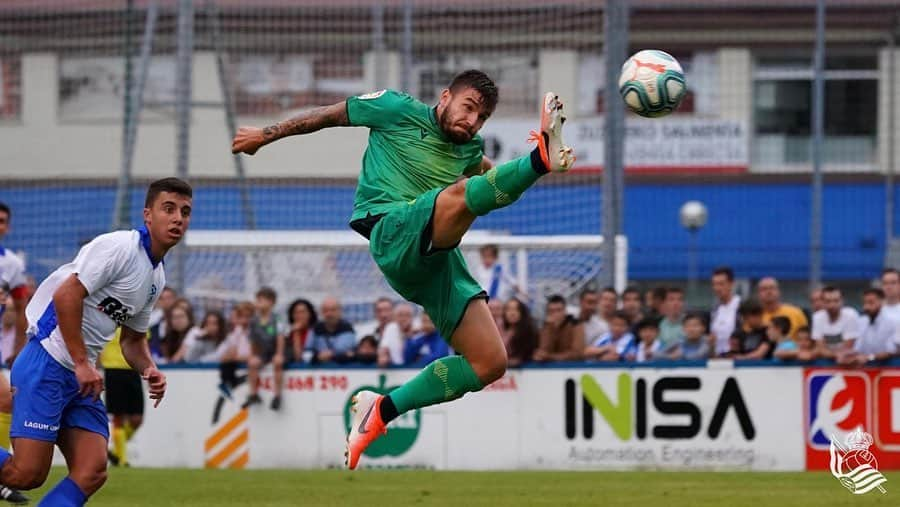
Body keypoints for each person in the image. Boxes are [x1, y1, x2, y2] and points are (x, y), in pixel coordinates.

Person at [233, 70, 574, 469]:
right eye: (468, 108)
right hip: (392, 230)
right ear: (445, 97)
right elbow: (327, 116)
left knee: (489, 362)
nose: (472, 121)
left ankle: (380, 412)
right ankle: (539, 158)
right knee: (458, 196)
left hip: (439, 258)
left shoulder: (470, 150)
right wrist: (265, 135)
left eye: (481, 118)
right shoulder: (394, 108)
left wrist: (514, 170)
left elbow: (491, 185)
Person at [0, 178, 188, 505]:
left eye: (185, 212)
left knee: (93, 470)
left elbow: (132, 340)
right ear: (147, 214)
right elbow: (66, 295)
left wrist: (149, 368)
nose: (177, 219)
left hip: (80, 377)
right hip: (48, 361)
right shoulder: (119, 247)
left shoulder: (156, 277)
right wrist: (82, 363)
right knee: (26, 475)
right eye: (168, 209)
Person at [0, 202, 29, 503]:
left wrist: (20, 347)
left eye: (3, 221)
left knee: (6, 398)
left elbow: (22, 308)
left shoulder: (12, 265)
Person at [99, 327, 147, 468]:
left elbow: (143, 343)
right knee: (118, 417)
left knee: (137, 419)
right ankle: (122, 460)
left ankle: (115, 451)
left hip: (133, 370)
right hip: (113, 370)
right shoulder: (109, 318)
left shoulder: (136, 317)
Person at [243, 287, 287, 411]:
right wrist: (253, 355)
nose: (258, 303)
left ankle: (277, 396)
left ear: (271, 302)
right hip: (263, 352)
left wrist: (279, 353)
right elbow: (253, 340)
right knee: (252, 363)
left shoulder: (277, 319)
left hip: (274, 350)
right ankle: (253, 394)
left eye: (261, 300)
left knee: (277, 363)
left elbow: (280, 337)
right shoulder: (254, 321)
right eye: (257, 300)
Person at [811, 286, 859, 361]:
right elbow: (820, 348)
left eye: (836, 301)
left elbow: (848, 348)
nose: (832, 305)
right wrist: (836, 355)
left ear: (842, 301)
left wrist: (832, 354)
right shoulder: (817, 317)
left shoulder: (851, 315)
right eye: (828, 301)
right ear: (822, 302)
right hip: (828, 360)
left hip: (850, 360)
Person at [533, 295, 585, 363]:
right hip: (549, 369)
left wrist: (550, 357)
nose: (556, 314)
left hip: (572, 368)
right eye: (551, 311)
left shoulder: (575, 325)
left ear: (565, 311)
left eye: (559, 310)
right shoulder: (545, 327)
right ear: (547, 313)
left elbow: (577, 353)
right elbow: (543, 350)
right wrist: (549, 328)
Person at [709, 266, 740, 356]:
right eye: (715, 284)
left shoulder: (739, 305)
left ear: (731, 284)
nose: (717, 288)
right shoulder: (715, 309)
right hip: (718, 358)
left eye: (721, 284)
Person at [500, 298, 539, 367]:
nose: (512, 313)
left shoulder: (530, 331)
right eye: (508, 309)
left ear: (522, 312)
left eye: (516, 309)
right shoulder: (500, 331)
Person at [285, 298, 317, 363]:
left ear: (310, 314)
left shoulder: (316, 332)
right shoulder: (287, 334)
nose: (299, 316)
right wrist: (296, 333)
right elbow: (298, 358)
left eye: (303, 312)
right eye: (296, 313)